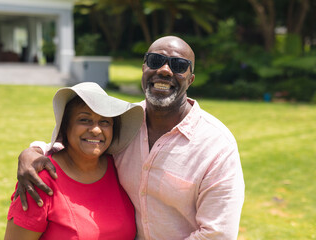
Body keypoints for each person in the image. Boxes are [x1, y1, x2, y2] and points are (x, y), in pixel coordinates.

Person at [16, 36, 245, 239]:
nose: (164, 70)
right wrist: (32, 152)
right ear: (144, 68)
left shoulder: (216, 145)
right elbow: (81, 142)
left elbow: (217, 235)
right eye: (155, 61)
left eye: (179, 65)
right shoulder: (123, 121)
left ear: (191, 79)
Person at [4, 82, 144, 240]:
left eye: (105, 122)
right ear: (65, 127)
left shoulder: (120, 167)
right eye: (84, 120)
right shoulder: (39, 180)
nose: (96, 130)